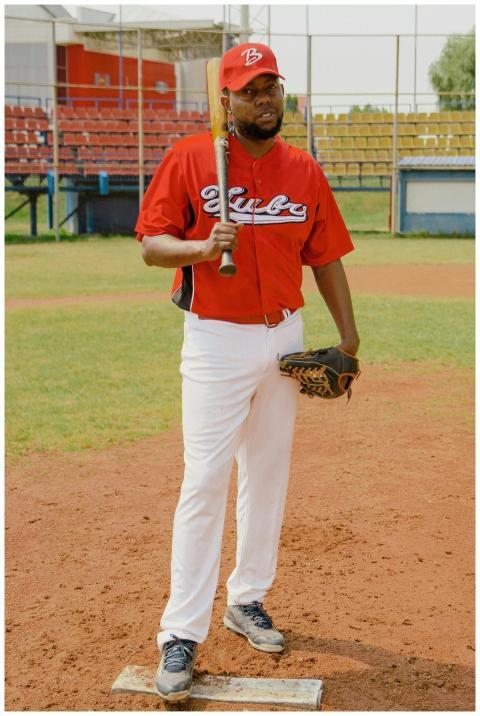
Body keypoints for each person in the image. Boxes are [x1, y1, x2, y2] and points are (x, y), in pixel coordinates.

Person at [135, 42, 360, 703]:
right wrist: (203, 247)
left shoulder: (303, 171)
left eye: (273, 87)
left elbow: (327, 258)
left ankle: (248, 599)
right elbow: (151, 244)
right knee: (203, 481)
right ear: (225, 100)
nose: (266, 98)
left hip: (283, 337)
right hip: (215, 342)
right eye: (251, 88)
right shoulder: (189, 159)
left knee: (267, 475)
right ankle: (181, 631)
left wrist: (348, 338)